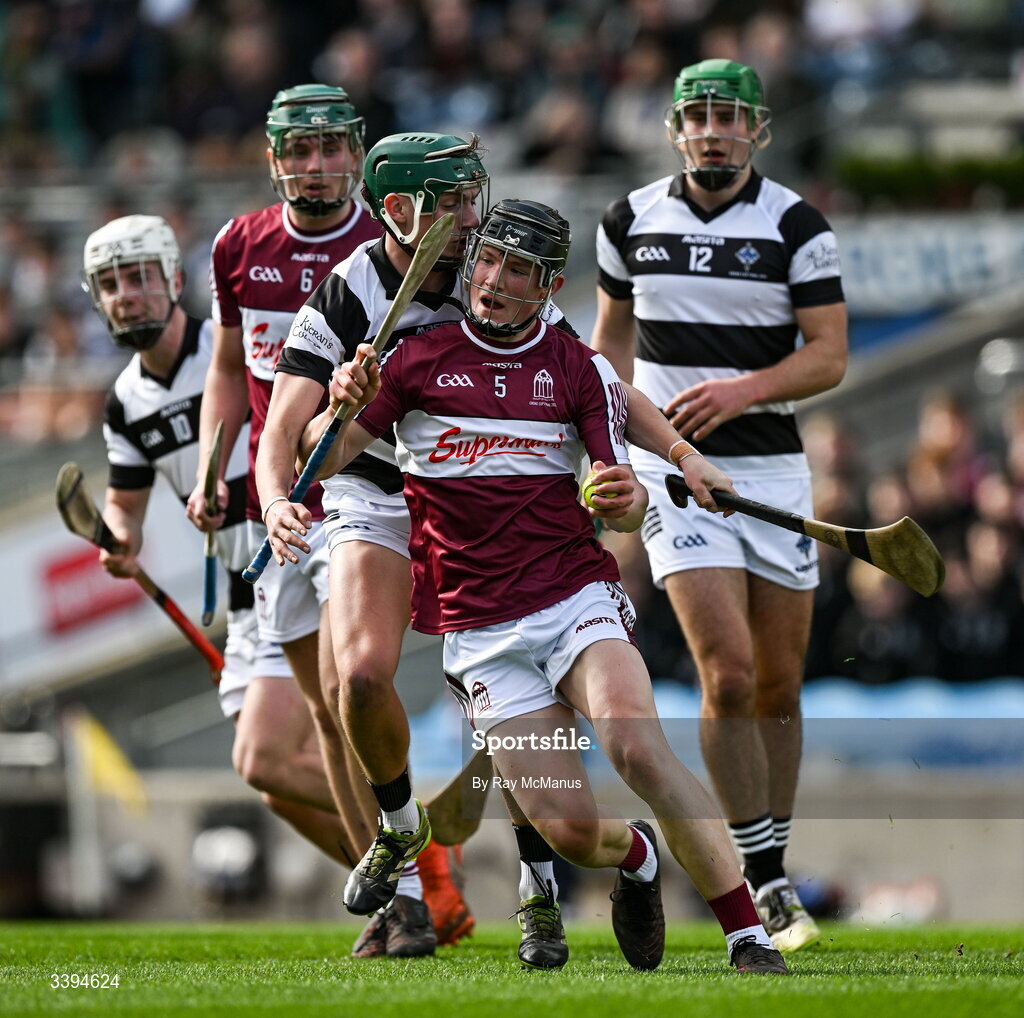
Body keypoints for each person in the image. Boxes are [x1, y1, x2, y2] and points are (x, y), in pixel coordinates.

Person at [256, 135, 731, 967]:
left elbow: (598, 383)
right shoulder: (350, 290)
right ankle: (404, 841)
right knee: (358, 679)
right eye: (454, 200)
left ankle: (538, 882)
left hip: (492, 509)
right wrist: (275, 493)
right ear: (401, 209)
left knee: (516, 672)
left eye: (473, 196)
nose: (473, 217)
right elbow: (288, 433)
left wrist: (680, 457)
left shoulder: (502, 268)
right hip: (376, 486)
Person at [183, 87, 470, 955]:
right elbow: (231, 371)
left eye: (328, 147)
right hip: (286, 489)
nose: (314, 165)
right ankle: (404, 895)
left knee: (357, 690)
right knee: (320, 714)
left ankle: (428, 880)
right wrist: (215, 470)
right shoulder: (240, 245)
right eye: (296, 150)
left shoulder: (398, 230)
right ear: (274, 159)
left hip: (378, 484)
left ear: (358, 153)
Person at [591, 58, 848, 953]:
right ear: (673, 128)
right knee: (728, 672)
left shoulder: (797, 225)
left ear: (759, 130)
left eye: (730, 116)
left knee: (778, 682)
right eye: (697, 114)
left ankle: (772, 855)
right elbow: (608, 348)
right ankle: (764, 882)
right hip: (674, 470)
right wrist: (606, 441)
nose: (713, 129)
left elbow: (828, 356)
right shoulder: (628, 220)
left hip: (771, 469)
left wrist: (742, 392)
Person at [85, 213, 354, 867]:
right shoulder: (125, 402)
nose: (128, 295)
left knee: (274, 751)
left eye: (141, 277)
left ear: (175, 279)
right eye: (112, 284)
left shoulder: (225, 350)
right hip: (240, 588)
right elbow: (125, 502)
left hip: (293, 551)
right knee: (270, 777)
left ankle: (410, 859)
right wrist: (120, 538)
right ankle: (405, 878)